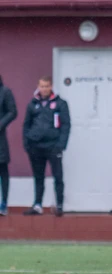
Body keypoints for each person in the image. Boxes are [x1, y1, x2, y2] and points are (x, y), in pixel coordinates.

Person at [23, 75, 71, 217]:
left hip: (53, 146)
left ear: (51, 86)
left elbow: (66, 125)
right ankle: (37, 205)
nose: (43, 89)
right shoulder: (32, 103)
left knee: (58, 176)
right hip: (36, 146)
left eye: (46, 86)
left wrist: (61, 145)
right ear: (38, 87)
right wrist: (27, 143)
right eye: (41, 86)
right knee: (38, 177)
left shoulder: (60, 103)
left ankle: (60, 205)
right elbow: (26, 124)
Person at [0, 75, 18, 216]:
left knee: (3, 170)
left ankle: (4, 203)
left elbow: (12, 112)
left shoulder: (5, 92)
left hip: (0, 139)